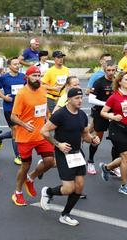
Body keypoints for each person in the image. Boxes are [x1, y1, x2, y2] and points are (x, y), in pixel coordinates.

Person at [40, 88, 100, 226]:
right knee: (68, 189)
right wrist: (58, 144)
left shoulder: (82, 116)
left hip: (77, 153)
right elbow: (44, 131)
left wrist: (93, 139)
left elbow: (85, 135)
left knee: (79, 187)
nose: (80, 101)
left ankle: (65, 214)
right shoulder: (60, 115)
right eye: (77, 98)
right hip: (63, 154)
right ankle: (48, 192)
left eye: (81, 98)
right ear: (69, 99)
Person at [11, 66, 55, 206]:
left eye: (39, 75)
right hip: (25, 136)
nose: (37, 78)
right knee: (25, 165)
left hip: (41, 134)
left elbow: (44, 106)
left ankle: (31, 178)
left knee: (50, 161)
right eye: (34, 76)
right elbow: (13, 116)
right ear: (27, 77)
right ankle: (17, 192)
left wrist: (48, 117)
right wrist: (24, 124)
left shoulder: (43, 89)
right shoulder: (22, 94)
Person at [100, 71, 127, 196]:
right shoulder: (114, 97)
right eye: (126, 79)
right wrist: (112, 117)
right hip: (117, 129)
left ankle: (107, 168)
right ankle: (124, 185)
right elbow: (103, 112)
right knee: (126, 157)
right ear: (120, 82)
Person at [87, 60, 118, 175]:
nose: (111, 72)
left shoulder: (117, 82)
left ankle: (113, 166)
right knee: (97, 139)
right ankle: (90, 161)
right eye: (108, 70)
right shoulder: (99, 82)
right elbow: (91, 99)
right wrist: (105, 104)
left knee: (116, 140)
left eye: (113, 70)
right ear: (104, 70)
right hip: (100, 113)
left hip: (114, 114)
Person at [0, 57, 25, 165]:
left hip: (22, 108)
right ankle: (18, 156)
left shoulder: (23, 77)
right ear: (9, 66)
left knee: (19, 131)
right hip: (9, 108)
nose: (17, 66)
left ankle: (0, 136)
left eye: (18, 64)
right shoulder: (4, 77)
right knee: (16, 131)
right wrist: (4, 97)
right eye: (15, 64)